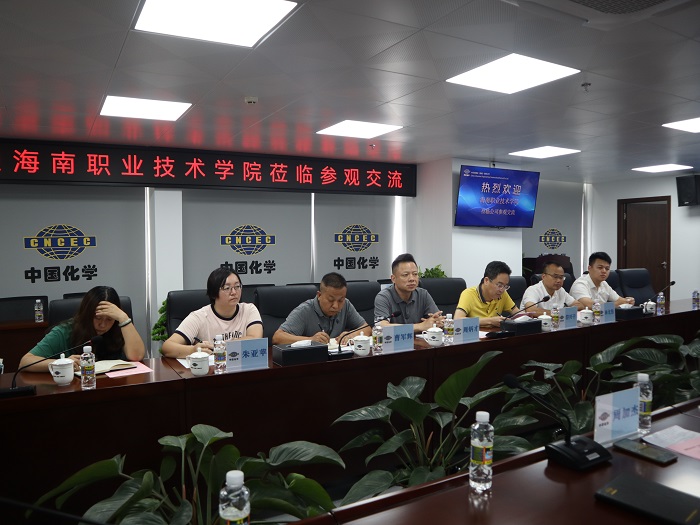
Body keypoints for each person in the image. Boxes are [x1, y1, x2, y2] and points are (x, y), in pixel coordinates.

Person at [18, 286, 145, 372]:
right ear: (87, 314)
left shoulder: (121, 327)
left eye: (109, 319)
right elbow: (25, 362)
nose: (102, 325)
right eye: (97, 318)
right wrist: (60, 363)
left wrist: (123, 318)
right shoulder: (64, 331)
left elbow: (136, 356)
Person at [161, 268, 263, 358]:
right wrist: (193, 350)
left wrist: (222, 346)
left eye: (237, 286)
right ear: (213, 293)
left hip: (242, 368)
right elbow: (167, 347)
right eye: (227, 288)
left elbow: (255, 340)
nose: (234, 292)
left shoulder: (249, 310)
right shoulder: (199, 317)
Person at [272, 272, 367, 345]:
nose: (335, 306)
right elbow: (277, 338)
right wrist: (310, 340)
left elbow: (367, 328)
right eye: (331, 300)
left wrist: (351, 335)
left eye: (340, 300)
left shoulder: (346, 304)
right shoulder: (304, 310)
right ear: (319, 295)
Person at [374, 253, 444, 332]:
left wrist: (437, 322)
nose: (412, 279)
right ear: (393, 279)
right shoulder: (384, 297)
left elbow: (436, 319)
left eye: (415, 274)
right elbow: (381, 326)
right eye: (405, 275)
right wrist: (420, 326)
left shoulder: (423, 294)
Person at [454, 261, 520, 328]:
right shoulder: (469, 294)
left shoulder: (503, 294)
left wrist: (525, 317)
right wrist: (490, 321)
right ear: (486, 281)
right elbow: (457, 321)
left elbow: (518, 314)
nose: (502, 290)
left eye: (505, 286)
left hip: (495, 333)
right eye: (499, 285)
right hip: (476, 334)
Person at [569, 252, 635, 308]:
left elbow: (619, 300)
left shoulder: (604, 284)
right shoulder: (580, 284)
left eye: (607, 268)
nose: (604, 271)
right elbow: (590, 306)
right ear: (589, 268)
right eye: (600, 267)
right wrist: (616, 304)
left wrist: (628, 300)